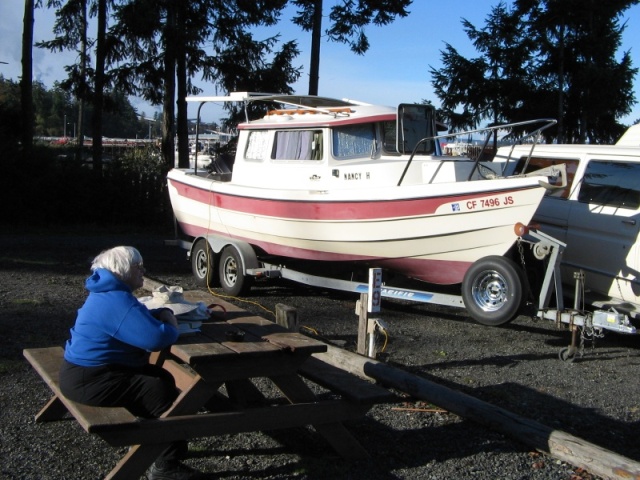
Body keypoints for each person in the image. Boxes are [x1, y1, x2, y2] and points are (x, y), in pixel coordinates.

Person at [59, 246, 199, 480]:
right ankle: (166, 466)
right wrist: (170, 321)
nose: (143, 270)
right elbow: (156, 339)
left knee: (160, 376)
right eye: (138, 266)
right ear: (122, 270)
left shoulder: (107, 293)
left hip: (83, 374)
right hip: (90, 381)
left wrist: (155, 317)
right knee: (157, 389)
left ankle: (156, 437)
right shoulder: (115, 299)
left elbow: (132, 317)